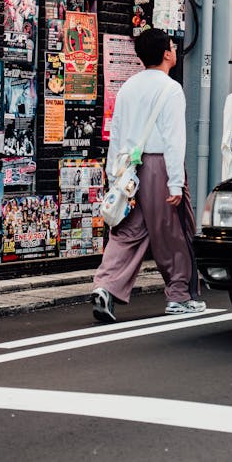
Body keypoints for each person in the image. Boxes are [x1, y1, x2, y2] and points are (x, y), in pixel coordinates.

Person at [91, 28, 206, 322]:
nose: (175, 51)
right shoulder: (171, 89)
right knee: (175, 232)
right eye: (172, 46)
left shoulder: (128, 86)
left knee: (127, 230)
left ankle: (105, 285)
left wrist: (112, 174)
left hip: (128, 169)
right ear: (167, 54)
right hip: (160, 166)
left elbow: (115, 133)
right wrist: (176, 183)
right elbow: (174, 139)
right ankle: (180, 296)